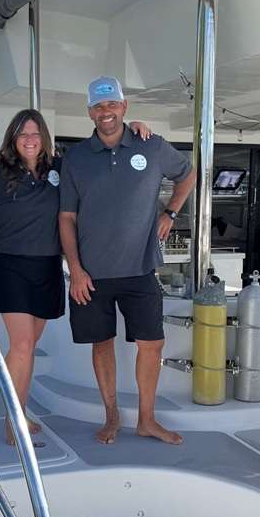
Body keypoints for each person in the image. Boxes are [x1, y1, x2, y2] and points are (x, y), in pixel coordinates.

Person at [0, 108, 152, 444]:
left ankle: (18, 411)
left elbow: (99, 157)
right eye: (23, 134)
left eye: (35, 133)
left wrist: (132, 130)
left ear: (44, 138)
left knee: (29, 347)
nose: (30, 140)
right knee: (21, 346)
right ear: (13, 139)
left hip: (48, 268)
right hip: (10, 269)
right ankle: (13, 420)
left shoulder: (60, 169)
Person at [59, 76, 197, 446]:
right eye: (98, 106)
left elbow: (187, 174)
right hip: (91, 274)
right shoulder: (75, 158)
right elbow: (67, 217)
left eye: (112, 104)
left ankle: (147, 420)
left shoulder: (151, 145)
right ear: (90, 112)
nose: (106, 111)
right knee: (101, 344)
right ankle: (112, 417)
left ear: (124, 106)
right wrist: (75, 269)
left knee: (152, 344)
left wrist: (170, 212)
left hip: (141, 268)